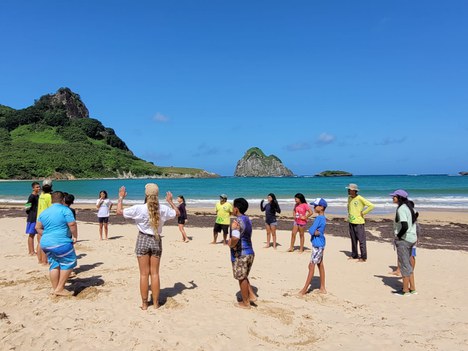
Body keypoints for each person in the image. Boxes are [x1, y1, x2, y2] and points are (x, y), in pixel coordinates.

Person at [116, 183, 180, 310]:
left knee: (144, 274)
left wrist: (121, 197)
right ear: (157, 195)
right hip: (156, 240)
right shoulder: (163, 209)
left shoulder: (139, 208)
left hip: (143, 239)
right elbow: (177, 213)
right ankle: (156, 304)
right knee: (155, 273)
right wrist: (171, 202)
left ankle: (145, 304)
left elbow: (119, 211)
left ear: (146, 194)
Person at [35, 191, 78, 296]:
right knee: (69, 261)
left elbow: (37, 227)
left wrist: (47, 234)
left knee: (54, 264)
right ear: (63, 200)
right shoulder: (65, 210)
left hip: (45, 242)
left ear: (51, 200)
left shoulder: (44, 212)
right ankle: (59, 288)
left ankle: (55, 289)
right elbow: (72, 224)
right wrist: (75, 236)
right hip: (60, 241)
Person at [228, 198, 256, 309]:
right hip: (250, 252)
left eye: (233, 206)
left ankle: (245, 303)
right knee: (244, 275)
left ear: (236, 209)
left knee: (241, 278)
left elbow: (235, 238)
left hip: (241, 254)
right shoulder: (247, 219)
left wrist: (230, 244)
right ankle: (252, 296)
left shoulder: (236, 222)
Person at [390, 190, 418, 296]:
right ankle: (413, 288)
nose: (392, 198)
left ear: (399, 198)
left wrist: (398, 237)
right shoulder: (410, 208)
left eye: (394, 196)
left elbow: (405, 226)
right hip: (412, 238)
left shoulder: (401, 209)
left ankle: (405, 290)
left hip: (405, 240)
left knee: (404, 265)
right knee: (409, 265)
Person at [299, 198, 327, 295]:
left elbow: (311, 230)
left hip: (317, 245)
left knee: (311, 266)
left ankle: (304, 289)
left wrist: (315, 232)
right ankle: (322, 287)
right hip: (320, 244)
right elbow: (315, 231)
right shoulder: (323, 218)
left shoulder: (319, 218)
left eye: (316, 206)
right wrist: (317, 232)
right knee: (320, 265)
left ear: (322, 207)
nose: (314, 207)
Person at [346, 183, 375, 262]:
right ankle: (354, 255)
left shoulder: (360, 198)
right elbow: (349, 206)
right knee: (353, 239)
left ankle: (363, 257)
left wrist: (363, 213)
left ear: (354, 191)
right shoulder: (349, 198)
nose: (348, 191)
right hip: (351, 221)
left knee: (361, 240)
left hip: (359, 222)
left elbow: (371, 206)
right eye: (348, 189)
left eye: (350, 190)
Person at [390, 200, 419, 276]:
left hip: (408, 239)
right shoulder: (412, 219)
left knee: (410, 256)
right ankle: (400, 270)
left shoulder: (413, 222)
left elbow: (406, 228)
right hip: (410, 239)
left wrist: (399, 236)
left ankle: (410, 272)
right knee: (403, 255)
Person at [36, 179, 53, 265]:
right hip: (46, 220)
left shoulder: (41, 195)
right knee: (45, 241)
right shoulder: (49, 197)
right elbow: (51, 209)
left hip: (39, 218)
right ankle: (45, 261)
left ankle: (40, 260)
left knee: (40, 241)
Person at [25, 181, 41, 256]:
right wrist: (30, 213)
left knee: (36, 234)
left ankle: (34, 251)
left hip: (36, 217)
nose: (39, 188)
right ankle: (31, 251)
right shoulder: (32, 196)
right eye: (37, 187)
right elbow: (27, 206)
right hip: (32, 218)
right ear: (33, 188)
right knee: (31, 234)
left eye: (39, 186)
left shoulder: (38, 196)